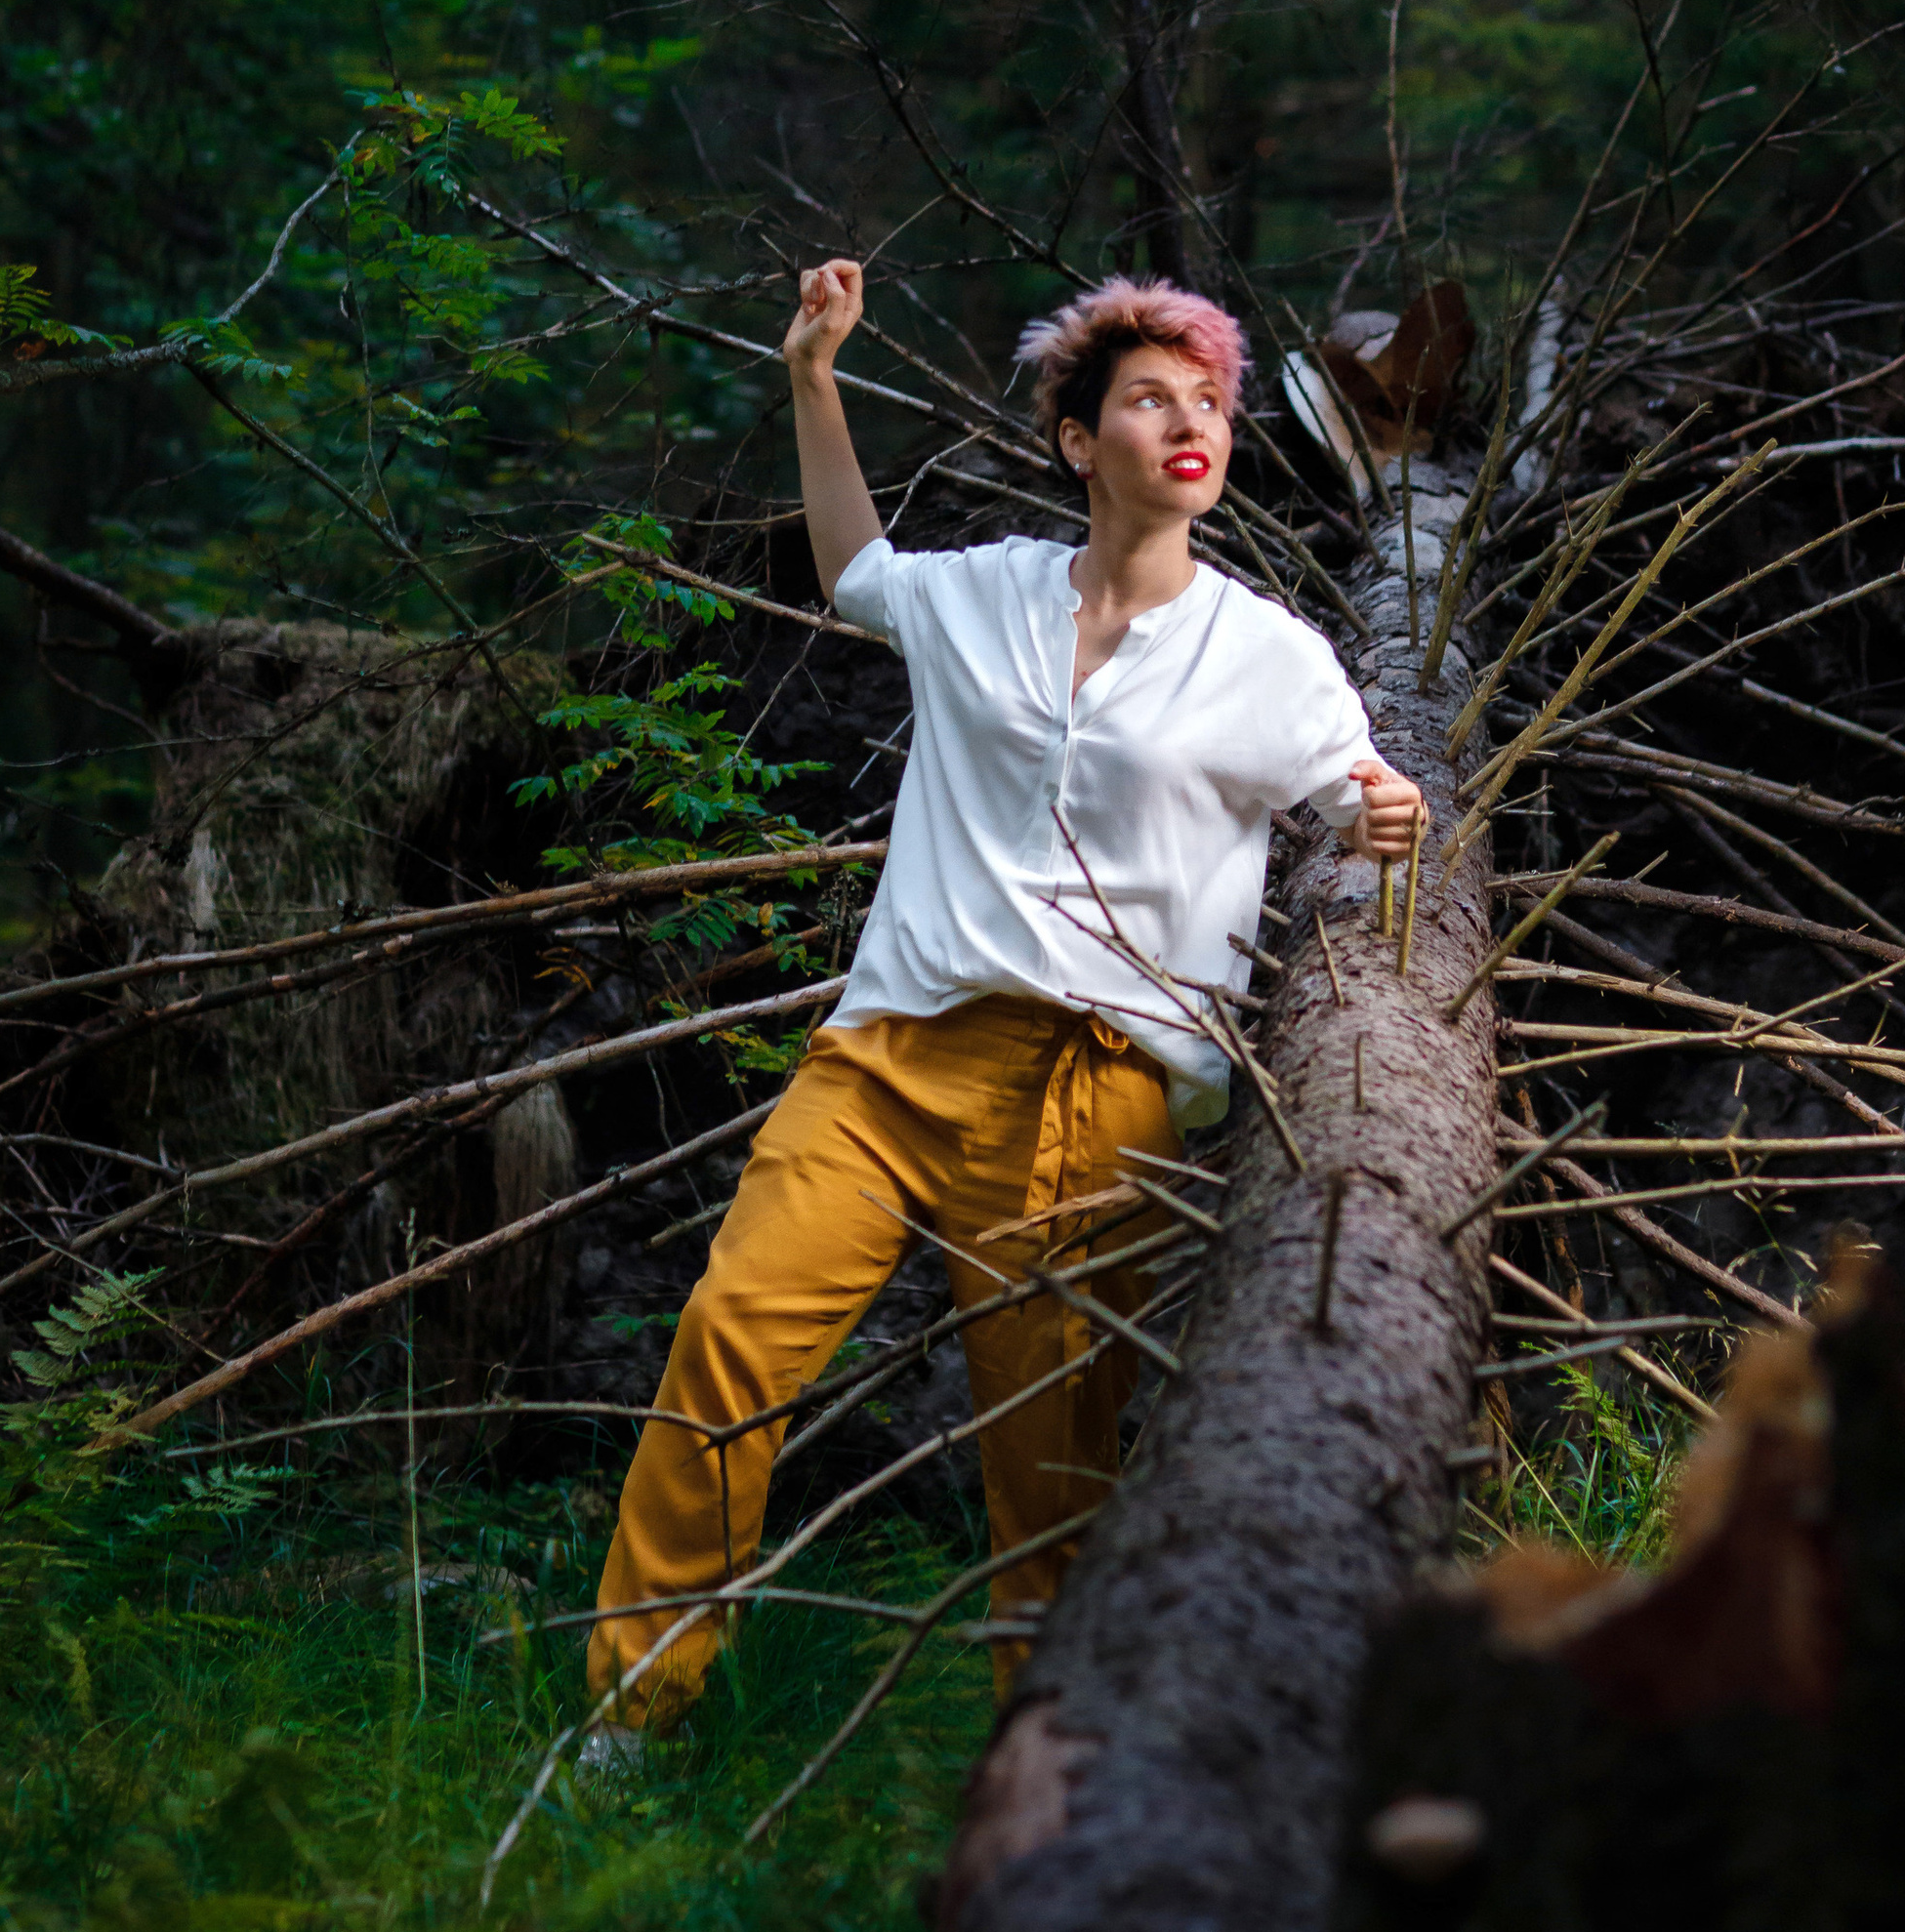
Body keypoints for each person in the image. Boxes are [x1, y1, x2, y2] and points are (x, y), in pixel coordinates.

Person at [583, 260, 1424, 1751]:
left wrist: (1392, 814)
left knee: (1050, 1474)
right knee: (728, 1340)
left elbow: (1360, 799)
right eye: (1153, 399)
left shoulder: (1269, 660)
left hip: (1097, 1101)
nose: (1194, 424)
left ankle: (1040, 1785)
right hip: (887, 1060)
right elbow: (856, 573)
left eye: (1213, 402)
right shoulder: (982, 594)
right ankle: (634, 1718)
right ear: (1078, 439)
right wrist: (813, 377)